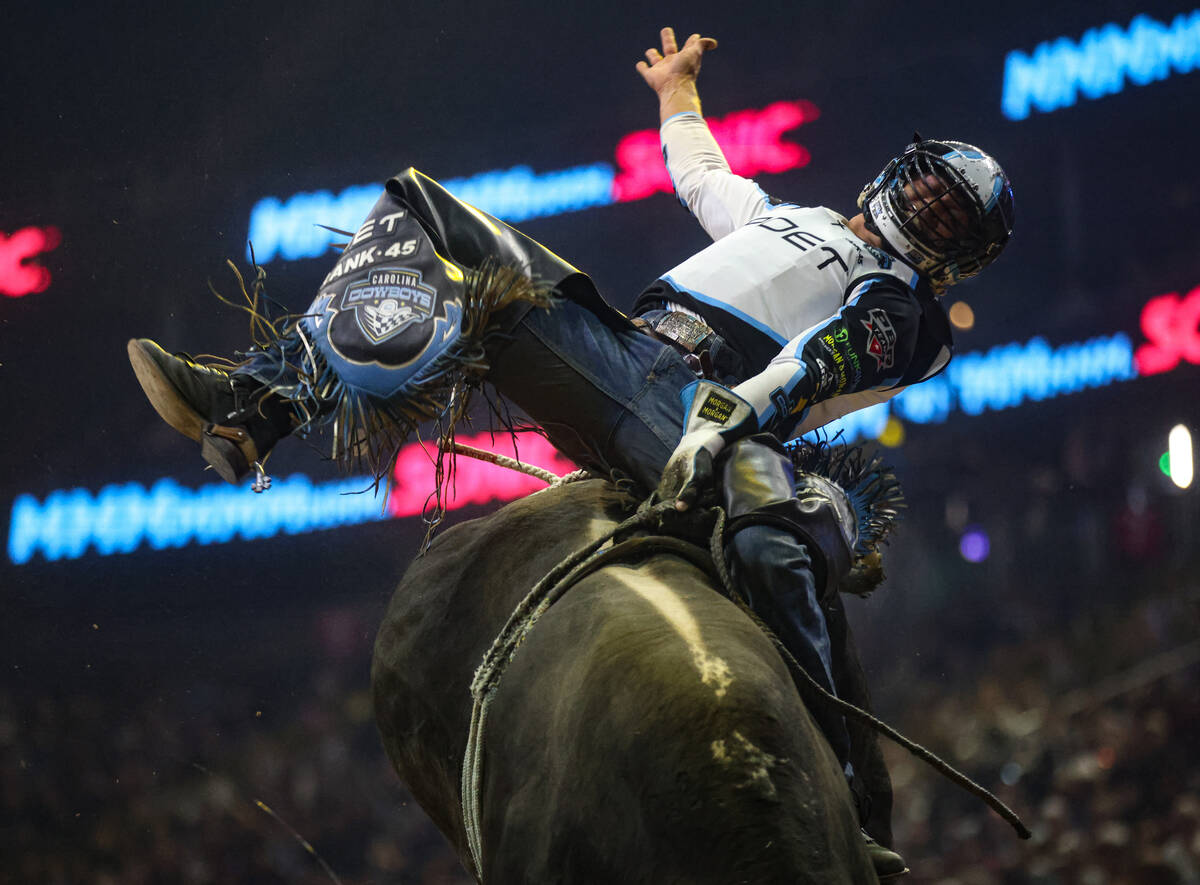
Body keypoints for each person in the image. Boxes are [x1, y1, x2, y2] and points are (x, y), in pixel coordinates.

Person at [128, 27, 1013, 879]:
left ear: (958, 258)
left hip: (720, 420)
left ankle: (850, 798)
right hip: (617, 355)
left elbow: (822, 356)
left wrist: (730, 415)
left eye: (950, 216)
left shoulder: (910, 316)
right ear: (903, 171)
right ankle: (257, 404)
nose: (930, 210)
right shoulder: (788, 216)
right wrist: (679, 93)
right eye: (933, 190)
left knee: (770, 543)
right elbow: (703, 174)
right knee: (423, 205)